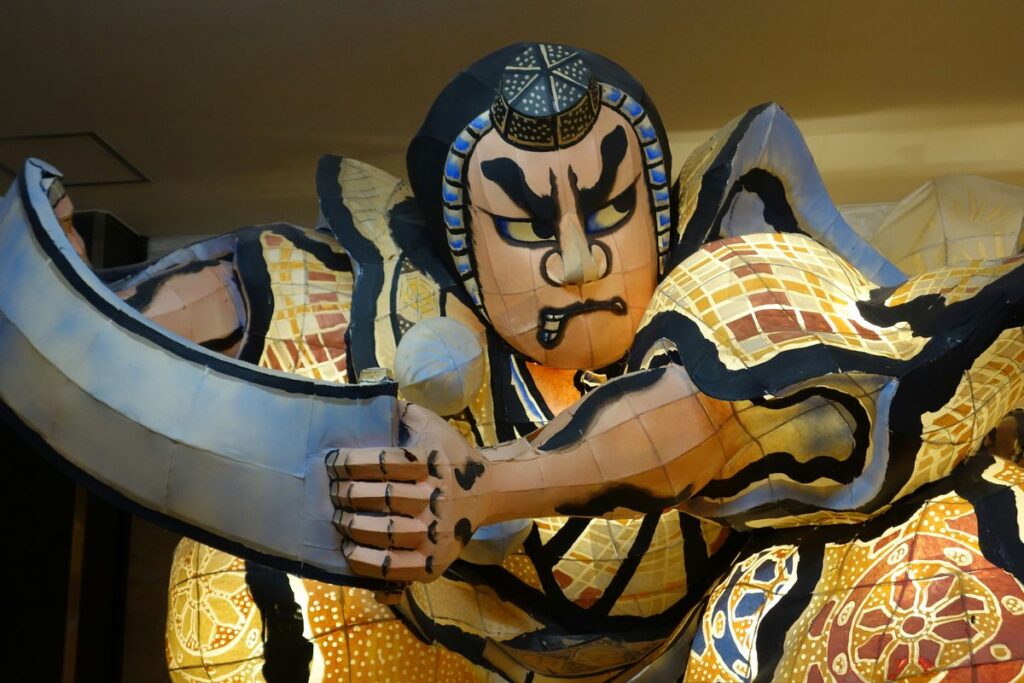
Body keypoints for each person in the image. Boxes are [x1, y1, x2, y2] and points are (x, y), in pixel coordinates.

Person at [7, 42, 1024, 682]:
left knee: (943, 560)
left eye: (610, 208)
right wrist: (64, 295)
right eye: (530, 226)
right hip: (450, 660)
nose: (578, 260)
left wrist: (490, 483)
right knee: (249, 581)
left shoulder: (733, 276)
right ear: (463, 252)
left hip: (712, 648)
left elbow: (726, 411)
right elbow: (160, 333)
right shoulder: (382, 309)